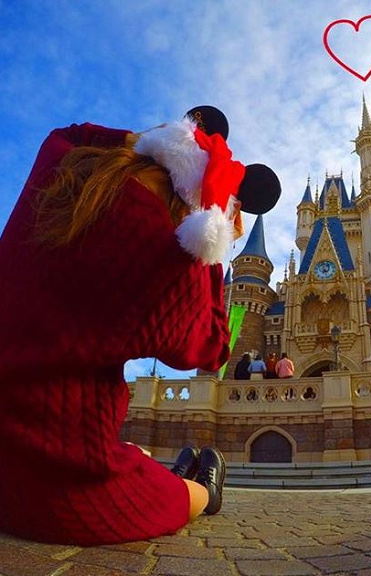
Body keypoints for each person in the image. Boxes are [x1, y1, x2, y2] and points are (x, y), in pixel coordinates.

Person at [0, 107, 270, 545]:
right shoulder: (159, 258)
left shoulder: (60, 165)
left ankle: (159, 467)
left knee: (137, 458)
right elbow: (213, 347)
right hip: (51, 456)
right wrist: (214, 240)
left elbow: (67, 132)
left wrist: (139, 141)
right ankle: (201, 488)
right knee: (158, 496)